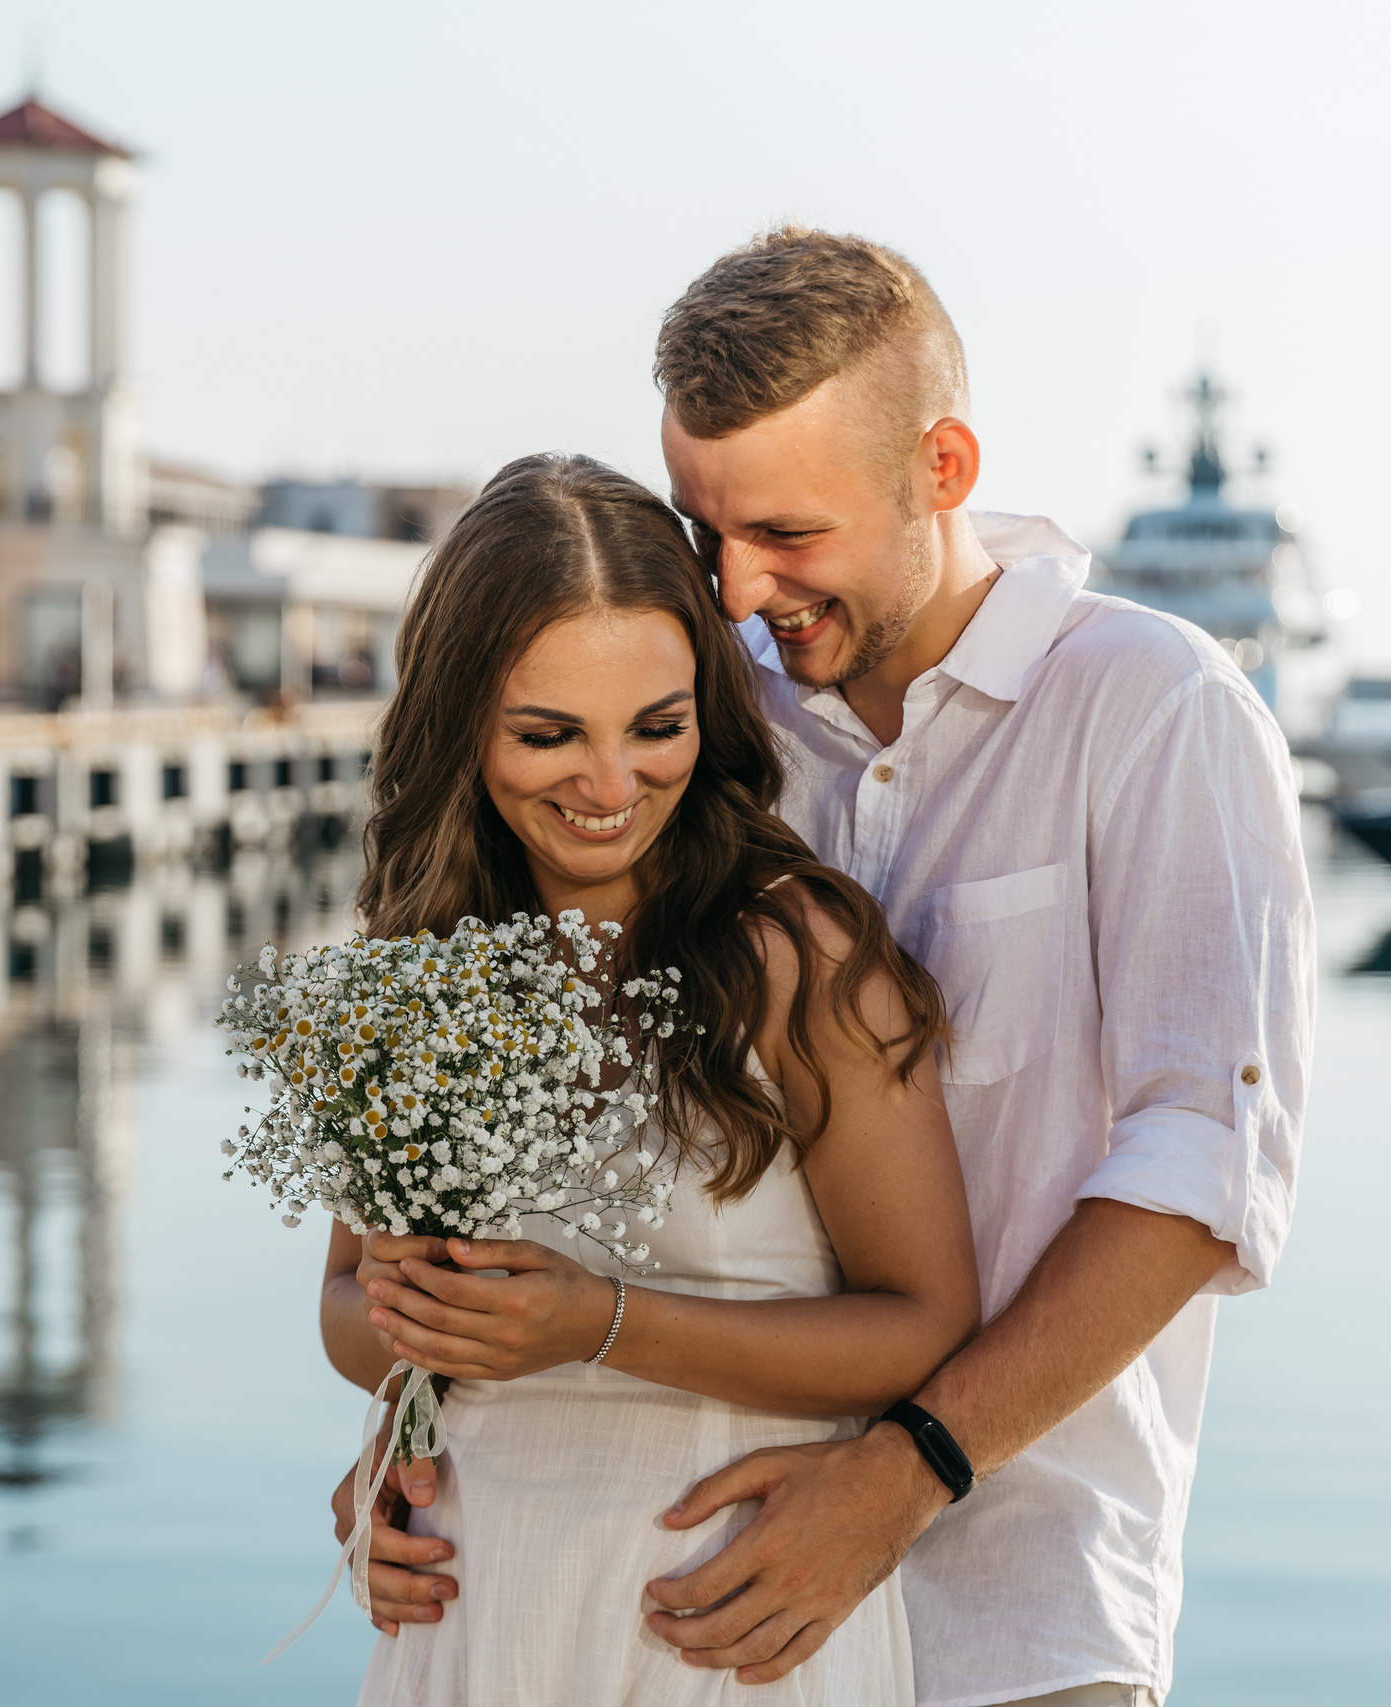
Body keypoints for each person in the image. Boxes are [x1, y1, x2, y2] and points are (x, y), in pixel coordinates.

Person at [344, 230, 1315, 1706]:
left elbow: (1199, 1171)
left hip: (1016, 1612)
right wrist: (420, 1428)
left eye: (790, 532)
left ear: (943, 465)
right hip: (661, 1613)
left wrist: (903, 1470)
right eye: (705, 525)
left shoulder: (1155, 709)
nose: (739, 579)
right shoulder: (702, 721)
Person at [318, 451, 983, 1704]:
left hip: (733, 1615)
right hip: (477, 1596)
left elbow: (921, 1326)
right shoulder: (411, 970)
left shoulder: (794, 956)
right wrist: (418, 1337)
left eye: (656, 727)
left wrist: (599, 1326)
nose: (611, 785)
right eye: (547, 733)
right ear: (464, 720)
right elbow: (346, 1309)